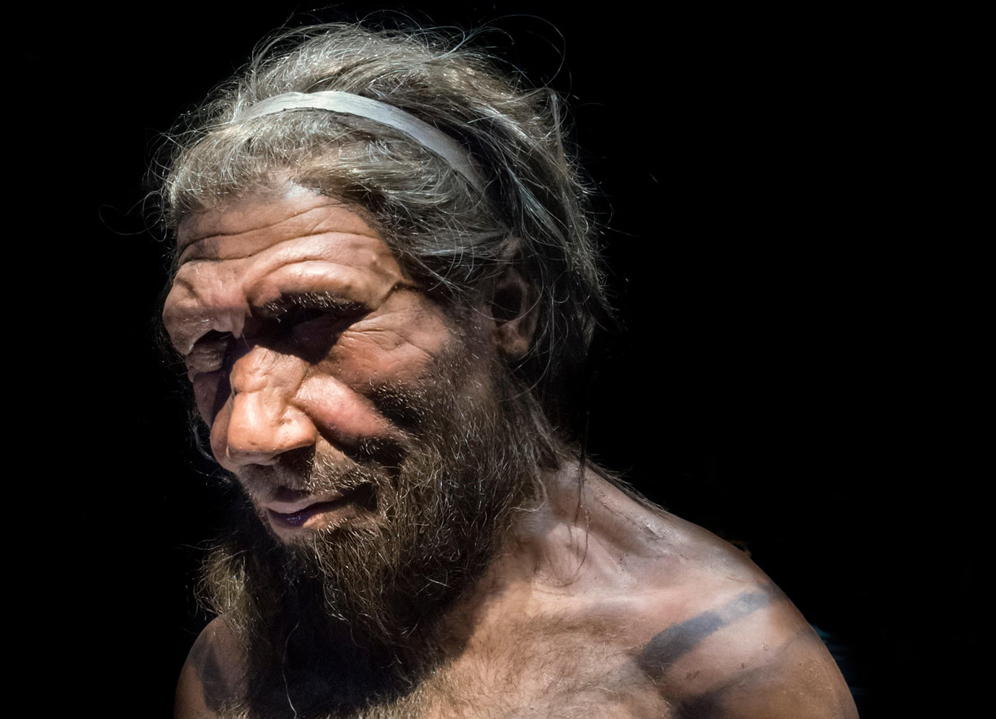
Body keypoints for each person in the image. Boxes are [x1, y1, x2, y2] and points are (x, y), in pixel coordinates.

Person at [159, 23, 857, 719]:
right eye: (210, 342)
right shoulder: (238, 662)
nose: (244, 433)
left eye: (314, 317)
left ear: (504, 305)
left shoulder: (719, 670)